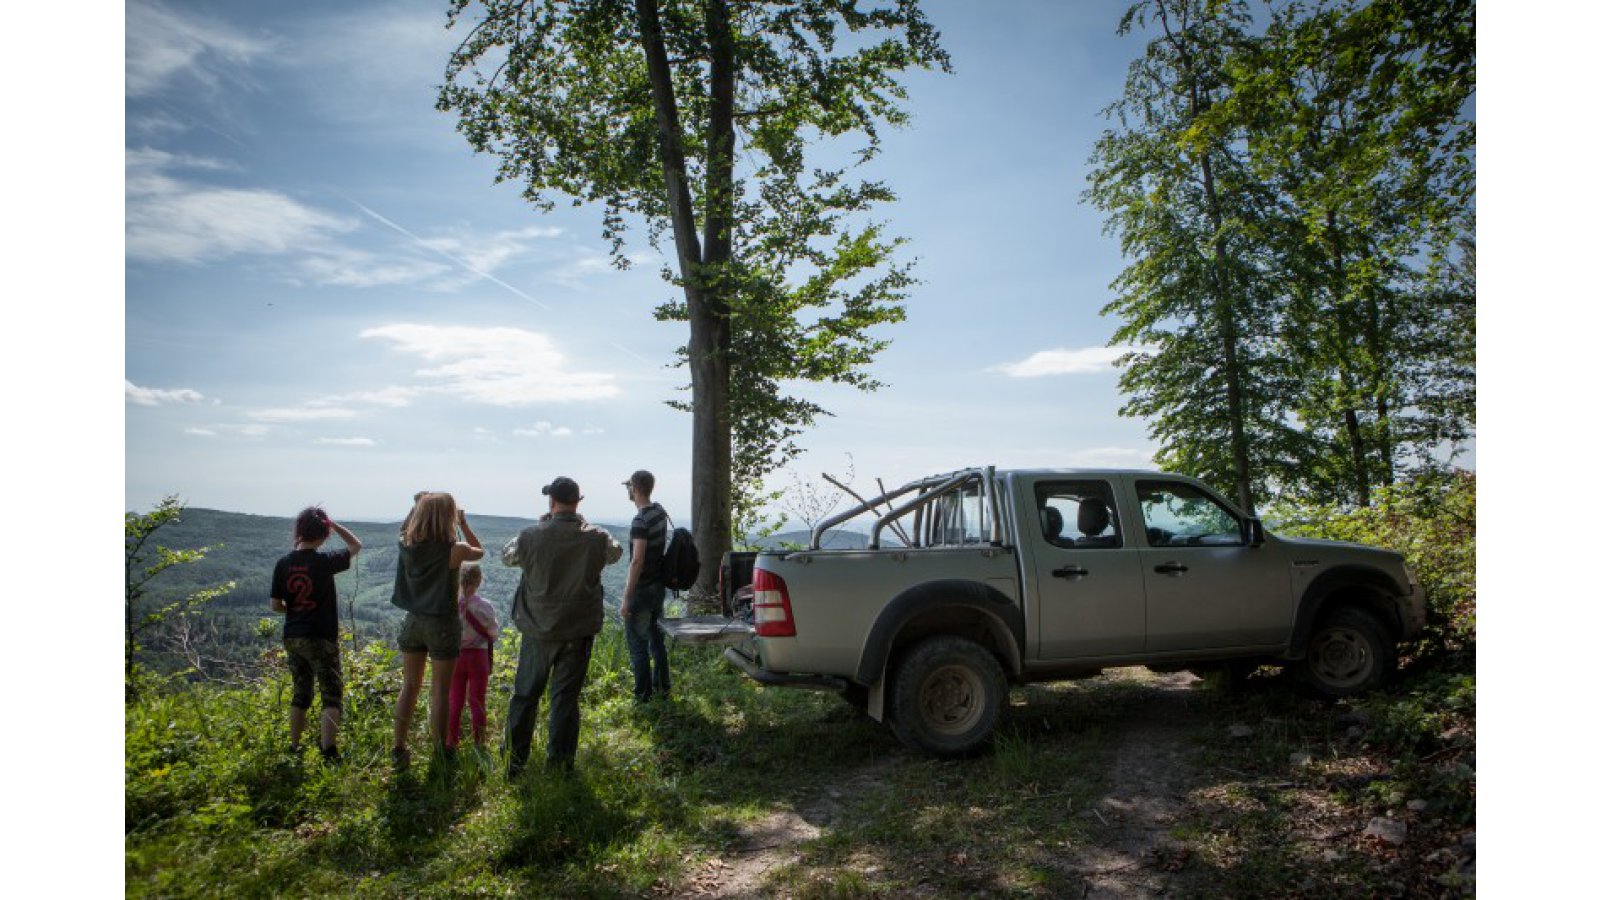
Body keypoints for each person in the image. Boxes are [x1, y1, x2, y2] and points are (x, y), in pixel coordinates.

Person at [501, 476, 621, 775]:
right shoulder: (597, 536)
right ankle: (560, 767)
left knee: (526, 695)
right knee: (565, 699)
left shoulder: (531, 535)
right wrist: (584, 525)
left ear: (551, 501)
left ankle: (514, 762)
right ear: (578, 502)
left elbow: (507, 557)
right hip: (578, 630)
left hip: (538, 628)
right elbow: (616, 553)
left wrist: (541, 527)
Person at [390, 492, 483, 769]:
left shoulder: (407, 545)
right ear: (449, 517)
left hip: (413, 622)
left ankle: (398, 747)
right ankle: (440, 751)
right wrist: (463, 523)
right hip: (442, 623)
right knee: (440, 690)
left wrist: (416, 506)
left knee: (410, 686)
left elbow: (404, 529)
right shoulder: (455, 550)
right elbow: (479, 552)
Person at [269, 506, 362, 761]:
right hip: (320, 636)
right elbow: (356, 545)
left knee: (301, 693)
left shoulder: (283, 564)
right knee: (331, 694)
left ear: (299, 531)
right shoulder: (324, 562)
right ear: (324, 533)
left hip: (292, 635)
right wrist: (335, 524)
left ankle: (294, 748)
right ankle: (328, 751)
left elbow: (275, 605)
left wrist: (295, 611)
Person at [619, 469, 671, 703]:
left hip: (642, 590)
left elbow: (637, 560)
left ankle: (643, 696)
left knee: (638, 644)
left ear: (635, 488)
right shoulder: (659, 512)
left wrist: (627, 597)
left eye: (629, 486)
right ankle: (663, 688)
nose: (628, 491)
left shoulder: (640, 521)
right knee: (656, 640)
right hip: (658, 586)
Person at [446, 563, 499, 750]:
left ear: (459, 581)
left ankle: (451, 742)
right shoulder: (486, 606)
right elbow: (493, 633)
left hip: (456, 657)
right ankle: (480, 743)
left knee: (455, 701)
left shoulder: (451, 606)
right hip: (479, 657)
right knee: (477, 700)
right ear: (479, 581)